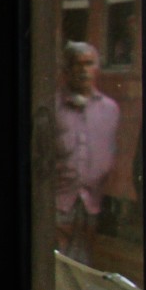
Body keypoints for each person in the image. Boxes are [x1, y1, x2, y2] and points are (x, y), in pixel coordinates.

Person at [53, 40, 121, 262]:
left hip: (93, 204)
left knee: (86, 262)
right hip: (59, 203)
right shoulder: (52, 107)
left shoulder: (110, 110)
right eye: (77, 64)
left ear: (97, 68)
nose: (83, 70)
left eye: (89, 64)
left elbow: (111, 155)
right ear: (66, 69)